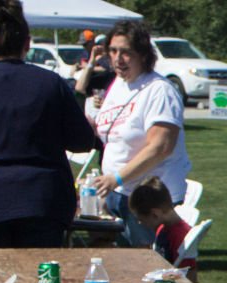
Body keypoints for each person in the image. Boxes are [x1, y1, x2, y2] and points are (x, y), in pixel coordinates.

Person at [0, 0, 98, 248]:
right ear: (27, 43)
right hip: (41, 201)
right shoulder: (51, 85)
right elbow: (82, 141)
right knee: (40, 282)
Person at [81, 19, 190, 248]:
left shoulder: (159, 90)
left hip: (150, 201)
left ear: (142, 54)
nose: (118, 58)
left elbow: (160, 147)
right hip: (117, 193)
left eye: (126, 52)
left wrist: (117, 177)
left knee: (149, 267)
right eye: (113, 50)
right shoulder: (118, 85)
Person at [126, 177, 191, 273]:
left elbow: (189, 275)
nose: (139, 223)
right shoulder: (162, 227)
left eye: (141, 219)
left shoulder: (180, 236)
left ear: (155, 214)